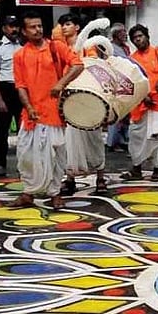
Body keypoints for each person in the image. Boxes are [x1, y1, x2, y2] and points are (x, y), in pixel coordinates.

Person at [11, 10, 83, 209]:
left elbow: (78, 65)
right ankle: (28, 193)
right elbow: (21, 86)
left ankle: (55, 194)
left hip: (53, 113)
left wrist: (61, 83)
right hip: (31, 115)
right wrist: (28, 107)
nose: (38, 30)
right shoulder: (20, 55)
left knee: (55, 157)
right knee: (27, 157)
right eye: (32, 27)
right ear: (24, 32)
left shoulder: (56, 47)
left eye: (40, 26)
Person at [125, 24, 158, 181]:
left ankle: (157, 169)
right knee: (137, 137)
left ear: (147, 36)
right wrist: (142, 96)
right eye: (135, 38)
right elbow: (129, 82)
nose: (138, 40)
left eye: (140, 36)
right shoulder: (132, 60)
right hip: (139, 106)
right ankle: (137, 168)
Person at [63, 33, 110, 196]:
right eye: (63, 25)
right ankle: (70, 179)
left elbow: (96, 72)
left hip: (91, 104)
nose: (65, 28)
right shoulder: (61, 49)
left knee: (95, 141)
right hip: (71, 104)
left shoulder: (89, 49)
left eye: (69, 24)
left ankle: (100, 178)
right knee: (70, 144)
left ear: (76, 28)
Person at [0, 15, 22, 177]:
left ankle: (23, 163)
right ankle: (1, 163)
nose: (14, 29)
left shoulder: (23, 45)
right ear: (4, 28)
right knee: (2, 130)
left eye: (16, 26)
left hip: (21, 90)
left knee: (24, 130)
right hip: (5, 90)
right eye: (10, 26)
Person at [106, 23, 131, 152]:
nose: (125, 34)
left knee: (125, 114)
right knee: (115, 113)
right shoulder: (110, 47)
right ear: (115, 34)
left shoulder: (125, 48)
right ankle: (112, 143)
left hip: (126, 83)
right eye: (122, 32)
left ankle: (122, 140)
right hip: (115, 83)